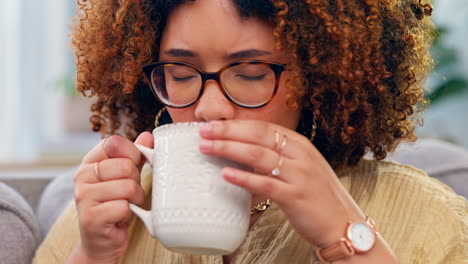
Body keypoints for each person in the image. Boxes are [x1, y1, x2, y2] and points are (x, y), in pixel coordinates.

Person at [34, 0, 466, 263]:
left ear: (321, 78)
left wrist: (345, 234)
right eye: (180, 71)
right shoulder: (106, 215)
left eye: (251, 71)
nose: (209, 108)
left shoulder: (428, 217)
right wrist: (92, 257)